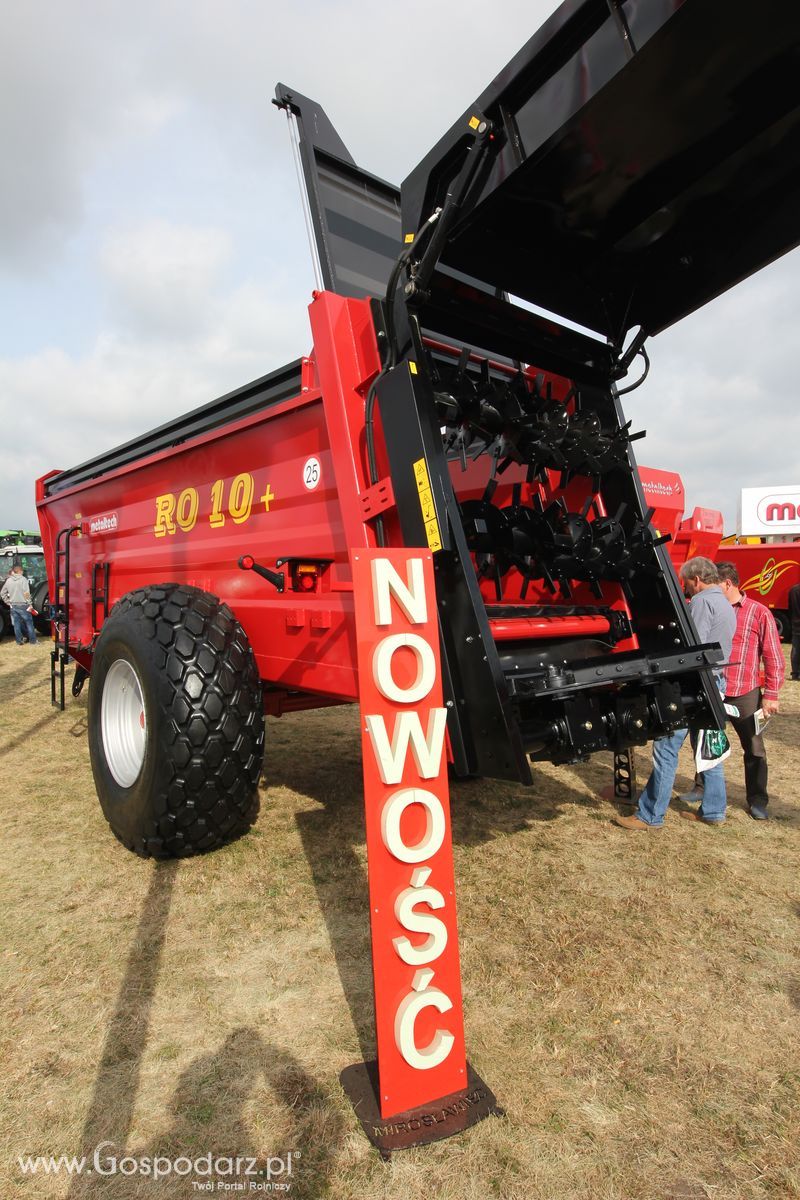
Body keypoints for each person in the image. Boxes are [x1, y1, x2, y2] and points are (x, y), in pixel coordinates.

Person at [615, 557, 735, 830]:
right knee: (708, 749)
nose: (687, 590)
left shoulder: (703, 602)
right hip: (715, 683)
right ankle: (714, 811)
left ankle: (650, 815)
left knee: (666, 748)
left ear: (696, 579)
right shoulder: (725, 603)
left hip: (694, 685)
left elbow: (690, 649)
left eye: (687, 584)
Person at [696, 561, 784, 821]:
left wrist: (771, 694)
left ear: (727, 583)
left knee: (754, 747)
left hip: (745, 691)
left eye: (715, 586)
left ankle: (757, 799)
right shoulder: (711, 608)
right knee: (707, 744)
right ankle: (700, 789)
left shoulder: (758, 612)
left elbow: (773, 655)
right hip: (715, 688)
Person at [0, 563, 38, 645]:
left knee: (16, 624)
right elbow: (26, 593)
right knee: (29, 623)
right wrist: (30, 603)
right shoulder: (23, 579)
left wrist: (7, 601)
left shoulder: (8, 580)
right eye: (22, 571)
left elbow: (2, 593)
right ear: (20, 571)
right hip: (23, 604)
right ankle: (33, 641)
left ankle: (19, 641)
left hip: (13, 605)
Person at [789, 581, 800, 682]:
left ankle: (795, 673)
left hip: (796, 624)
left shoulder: (793, 590)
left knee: (796, 649)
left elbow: (790, 608)